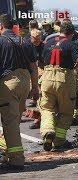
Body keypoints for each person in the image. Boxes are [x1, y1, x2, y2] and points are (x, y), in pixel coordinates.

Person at [40, 20, 78, 151]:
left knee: (47, 109)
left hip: (46, 78)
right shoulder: (71, 44)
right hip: (64, 79)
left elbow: (40, 62)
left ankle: (47, 131)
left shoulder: (48, 43)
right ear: (72, 33)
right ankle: (58, 141)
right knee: (66, 112)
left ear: (59, 30)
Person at [0, 14, 38, 170]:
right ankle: (6, 151)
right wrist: (35, 87)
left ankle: (16, 160)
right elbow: (34, 66)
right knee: (14, 120)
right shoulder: (25, 41)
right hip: (24, 83)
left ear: (1, 26)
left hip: (8, 83)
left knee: (10, 123)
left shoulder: (1, 41)